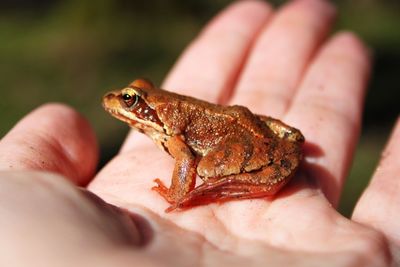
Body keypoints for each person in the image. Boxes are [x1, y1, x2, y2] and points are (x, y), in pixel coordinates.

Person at [0, 0, 398, 266]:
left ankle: (261, 178)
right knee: (248, 130)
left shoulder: (173, 133)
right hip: (243, 121)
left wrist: (177, 196)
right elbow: (289, 133)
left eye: (132, 100)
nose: (122, 104)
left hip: (234, 135)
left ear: (148, 107)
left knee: (206, 171)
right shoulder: (166, 120)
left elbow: (187, 159)